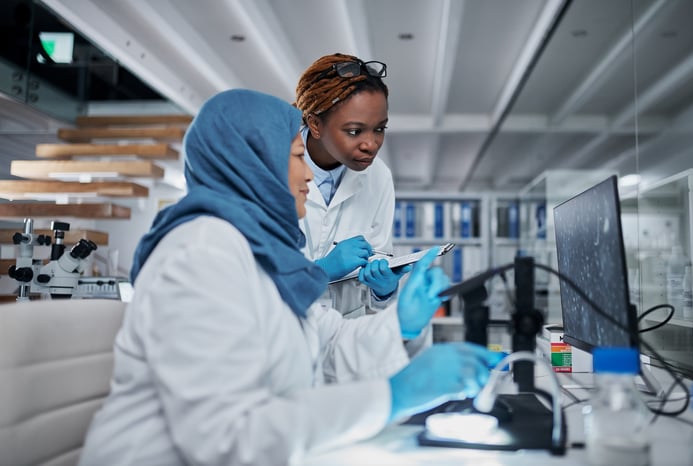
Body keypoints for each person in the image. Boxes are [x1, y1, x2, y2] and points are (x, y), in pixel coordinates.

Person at [78, 89, 501, 466]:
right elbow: (228, 440)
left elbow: (326, 342)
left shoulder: (259, 252)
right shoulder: (202, 254)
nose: (308, 177)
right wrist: (395, 396)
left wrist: (401, 323)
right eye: (299, 158)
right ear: (253, 164)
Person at [295, 53, 407, 318]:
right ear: (315, 124)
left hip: (345, 342)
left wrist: (384, 290)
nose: (371, 144)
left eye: (379, 129)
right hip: (282, 337)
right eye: (355, 131)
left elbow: (375, 282)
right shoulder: (270, 166)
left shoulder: (378, 177)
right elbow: (249, 283)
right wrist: (320, 271)